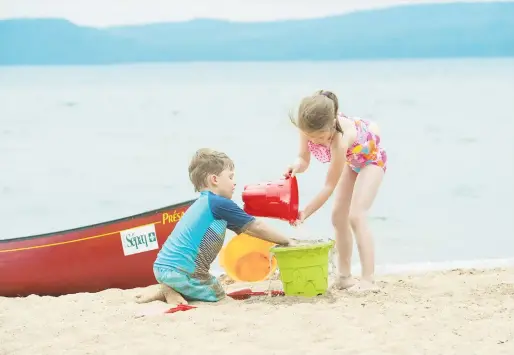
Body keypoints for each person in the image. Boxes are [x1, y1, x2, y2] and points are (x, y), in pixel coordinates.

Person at [136, 148, 295, 306]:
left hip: (163, 267)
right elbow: (256, 226)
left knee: (207, 284)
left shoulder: (205, 203)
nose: (235, 182)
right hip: (182, 273)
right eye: (230, 177)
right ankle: (168, 290)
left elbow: (248, 231)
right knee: (216, 292)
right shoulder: (219, 203)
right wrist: (287, 241)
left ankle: (170, 286)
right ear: (214, 180)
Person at [285, 90, 387, 293]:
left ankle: (368, 280)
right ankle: (344, 277)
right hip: (353, 161)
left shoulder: (341, 139)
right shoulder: (307, 127)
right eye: (311, 138)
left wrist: (305, 212)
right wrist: (296, 166)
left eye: (321, 137)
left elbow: (329, 186)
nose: (317, 142)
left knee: (356, 216)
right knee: (337, 217)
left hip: (371, 160)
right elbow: (304, 159)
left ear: (332, 124)